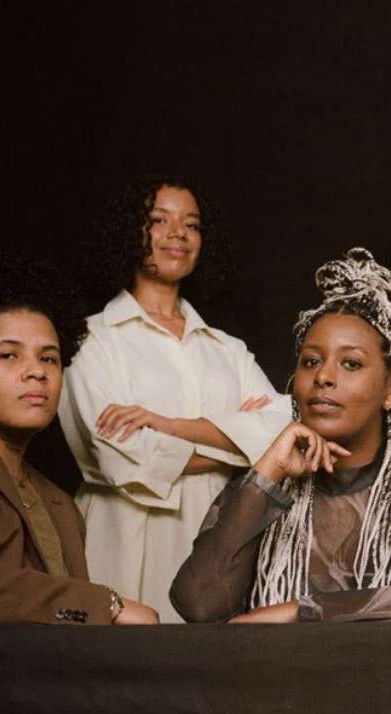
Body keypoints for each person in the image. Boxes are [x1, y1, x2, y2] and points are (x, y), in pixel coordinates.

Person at [170, 248, 391, 623]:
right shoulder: (256, 493)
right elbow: (197, 604)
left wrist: (303, 611)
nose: (323, 376)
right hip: (274, 682)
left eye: (351, 363)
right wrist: (268, 470)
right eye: (311, 361)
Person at [59, 177, 290, 624]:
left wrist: (167, 426)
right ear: (131, 232)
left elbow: (283, 429)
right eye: (158, 220)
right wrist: (238, 446)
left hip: (219, 535)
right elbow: (120, 456)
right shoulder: (92, 340)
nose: (177, 234)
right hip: (122, 534)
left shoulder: (227, 349)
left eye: (191, 224)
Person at [0, 252, 159, 625]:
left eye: (49, 359)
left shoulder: (60, 504)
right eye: (8, 355)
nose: (36, 372)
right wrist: (106, 604)